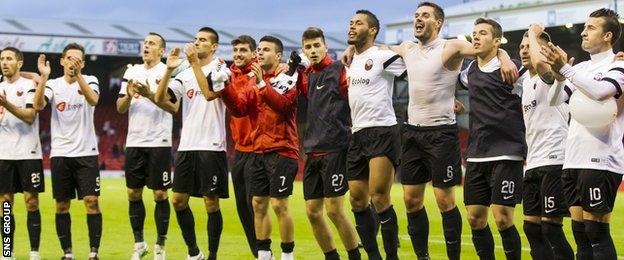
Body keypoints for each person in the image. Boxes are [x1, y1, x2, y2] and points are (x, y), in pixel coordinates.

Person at [542, 8, 623, 259]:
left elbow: (602, 92)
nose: (583, 32)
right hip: (574, 157)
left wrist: (566, 70)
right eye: (584, 27)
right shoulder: (582, 68)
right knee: (580, 236)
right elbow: (555, 101)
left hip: (601, 158)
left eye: (591, 28)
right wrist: (557, 77)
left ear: (608, 35)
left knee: (596, 232)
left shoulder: (618, 64)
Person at [154, 27, 230, 260]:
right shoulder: (184, 74)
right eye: (196, 39)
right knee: (177, 201)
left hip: (212, 145)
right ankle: (194, 252)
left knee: (211, 202)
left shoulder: (221, 68)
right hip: (187, 145)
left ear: (214, 46)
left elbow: (209, 94)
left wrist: (193, 63)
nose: (197, 43)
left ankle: (213, 255)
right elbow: (160, 98)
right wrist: (168, 70)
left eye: (203, 40)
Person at [458, 18, 527, 260]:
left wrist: (505, 57)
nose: (475, 37)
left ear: (497, 41)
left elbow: (543, 78)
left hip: (507, 151)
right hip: (477, 154)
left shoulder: (513, 69)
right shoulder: (469, 72)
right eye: (474, 33)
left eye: (483, 33)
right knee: (475, 219)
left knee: (502, 218)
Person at [345, 10, 407, 260]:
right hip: (357, 132)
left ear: (372, 31)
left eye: (358, 23)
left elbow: (415, 65)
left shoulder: (382, 56)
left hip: (382, 129)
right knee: (357, 200)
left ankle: (391, 256)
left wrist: (394, 47)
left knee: (379, 196)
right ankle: (373, 256)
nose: (352, 26)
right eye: (351, 22)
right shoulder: (349, 61)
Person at [33, 43, 102, 260]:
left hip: (86, 153)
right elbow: (38, 106)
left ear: (82, 62)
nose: (73, 62)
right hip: (61, 154)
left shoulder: (90, 79)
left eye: (78, 59)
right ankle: (67, 253)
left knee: (91, 201)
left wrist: (79, 74)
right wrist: (43, 78)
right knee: (62, 205)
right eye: (69, 58)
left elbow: (94, 100)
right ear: (62, 61)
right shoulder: (53, 85)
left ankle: (93, 253)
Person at [298, 27, 361, 260]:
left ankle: (355, 255)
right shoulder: (306, 76)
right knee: (313, 212)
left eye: (316, 45)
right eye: (308, 47)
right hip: (312, 150)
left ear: (325, 46)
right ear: (303, 49)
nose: (313, 50)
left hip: (336, 147)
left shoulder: (339, 70)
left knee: (334, 209)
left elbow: (357, 96)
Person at [116, 32, 175, 260]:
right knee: (133, 193)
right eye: (145, 43)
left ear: (161, 50)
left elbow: (172, 107)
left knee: (160, 194)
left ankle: (160, 246)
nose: (146, 46)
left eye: (152, 44)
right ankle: (139, 244)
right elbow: (120, 108)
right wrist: (130, 95)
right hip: (135, 141)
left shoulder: (166, 72)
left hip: (159, 141)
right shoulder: (132, 72)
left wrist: (149, 94)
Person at [520, 25, 574, 259]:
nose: (524, 50)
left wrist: (533, 33)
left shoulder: (552, 73)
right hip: (533, 161)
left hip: (554, 159)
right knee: (532, 228)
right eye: (521, 47)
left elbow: (543, 67)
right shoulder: (523, 81)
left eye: (528, 47)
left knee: (551, 227)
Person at [0, 47, 45, 260]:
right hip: (3, 154)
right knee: (5, 205)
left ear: (19, 63)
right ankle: (8, 252)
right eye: (2, 59)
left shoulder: (29, 86)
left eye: (9, 58)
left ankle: (34, 252)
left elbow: (30, 116)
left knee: (31, 202)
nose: (4, 62)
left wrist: (6, 103)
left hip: (28, 152)